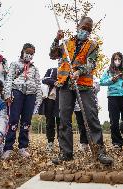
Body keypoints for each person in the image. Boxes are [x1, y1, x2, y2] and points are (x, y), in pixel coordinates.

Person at [49, 16, 113, 165]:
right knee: (64, 119)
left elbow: (91, 64)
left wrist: (79, 71)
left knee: (91, 117)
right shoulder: (66, 43)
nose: (85, 31)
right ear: (78, 27)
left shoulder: (92, 45)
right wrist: (56, 39)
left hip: (84, 85)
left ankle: (99, 152)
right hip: (65, 84)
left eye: (88, 29)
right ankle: (66, 153)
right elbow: (53, 54)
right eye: (83, 28)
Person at [2, 43, 42, 159]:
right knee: (13, 119)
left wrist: (38, 100)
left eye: (31, 53)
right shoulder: (14, 64)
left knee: (26, 121)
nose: (29, 55)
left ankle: (23, 147)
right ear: (22, 52)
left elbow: (38, 84)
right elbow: (9, 79)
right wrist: (7, 94)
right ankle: (8, 147)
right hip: (17, 92)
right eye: (27, 52)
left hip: (31, 94)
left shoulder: (34, 68)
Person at [100, 52, 123, 149]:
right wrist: (112, 79)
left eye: (119, 59)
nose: (117, 61)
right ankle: (117, 143)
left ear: (122, 60)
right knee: (114, 121)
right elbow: (101, 82)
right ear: (112, 60)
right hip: (112, 97)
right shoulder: (108, 71)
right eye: (115, 59)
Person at [75, 76, 100, 152]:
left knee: (92, 123)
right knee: (81, 125)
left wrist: (87, 86)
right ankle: (84, 143)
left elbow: (97, 87)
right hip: (78, 105)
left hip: (90, 104)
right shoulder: (74, 76)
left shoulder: (93, 77)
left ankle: (96, 144)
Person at [38, 67, 60, 152]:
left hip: (61, 99)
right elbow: (44, 80)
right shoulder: (51, 70)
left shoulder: (67, 70)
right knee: (49, 121)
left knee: (60, 121)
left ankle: (62, 143)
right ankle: (50, 142)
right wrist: (54, 82)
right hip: (49, 98)